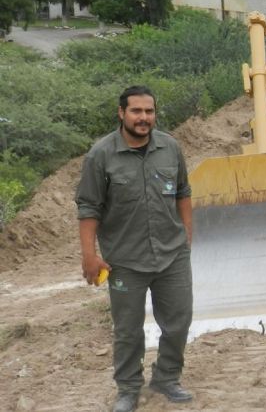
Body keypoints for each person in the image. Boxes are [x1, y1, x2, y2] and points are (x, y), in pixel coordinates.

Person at [75, 86, 194, 412]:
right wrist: (89, 254)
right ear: (121, 113)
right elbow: (88, 208)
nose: (144, 118)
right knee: (128, 330)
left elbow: (183, 191)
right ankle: (128, 389)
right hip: (124, 260)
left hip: (172, 255)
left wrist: (187, 234)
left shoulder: (170, 147)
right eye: (137, 111)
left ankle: (167, 378)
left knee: (179, 322)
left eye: (149, 112)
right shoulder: (101, 156)